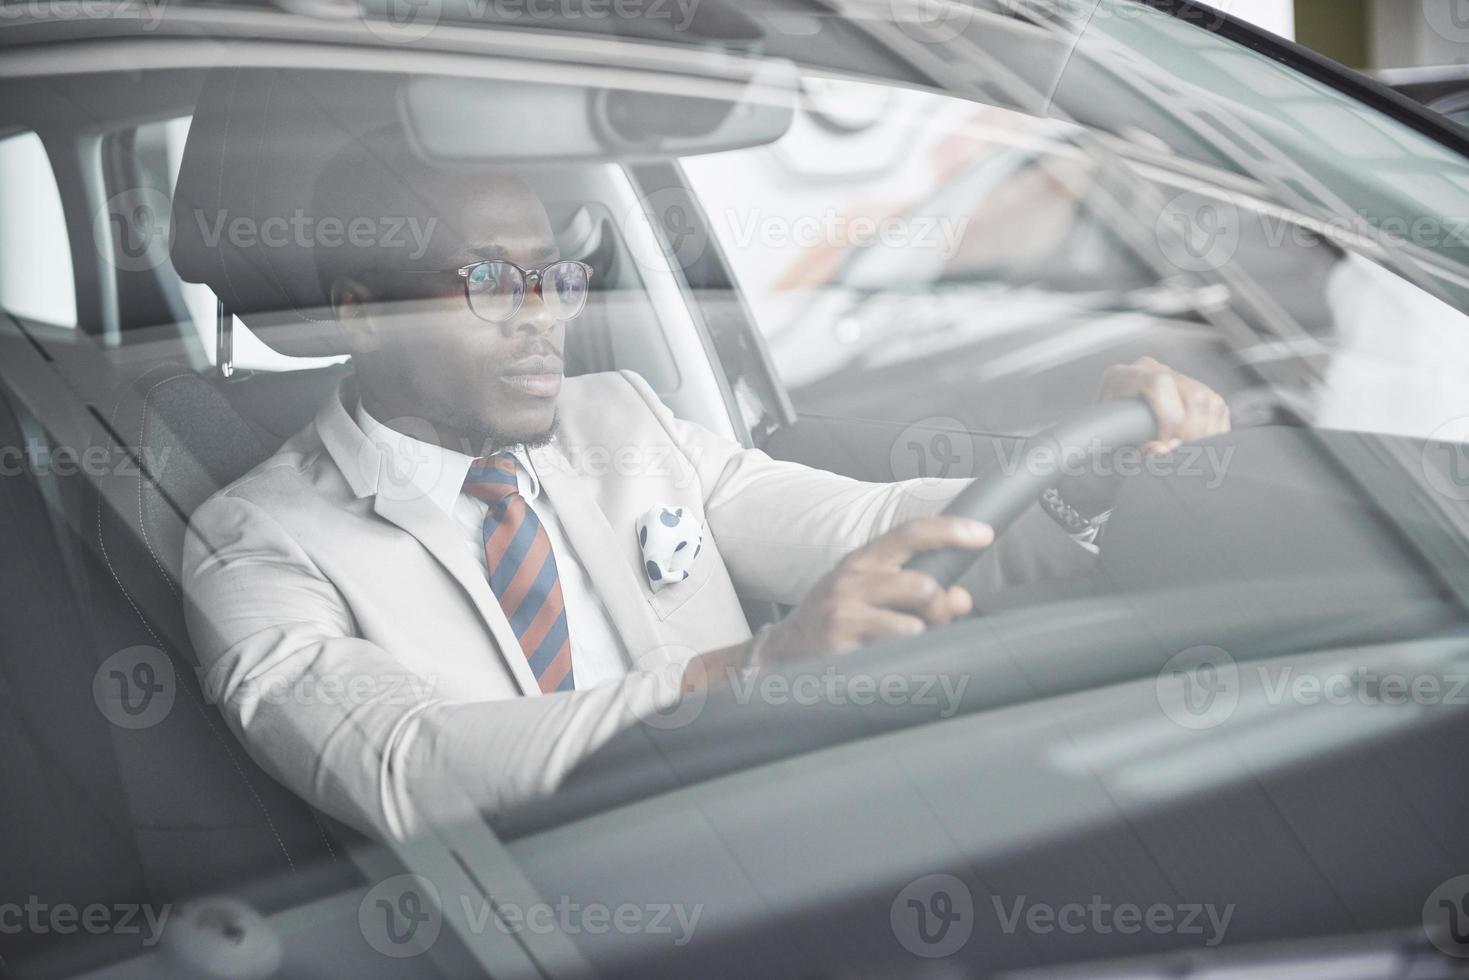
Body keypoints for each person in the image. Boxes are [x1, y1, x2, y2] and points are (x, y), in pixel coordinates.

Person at [182, 132, 1230, 841]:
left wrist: (1065, 469)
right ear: (363, 312)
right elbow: (408, 767)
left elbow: (856, 526)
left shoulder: (620, 416)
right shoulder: (258, 540)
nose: (541, 314)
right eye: (493, 281)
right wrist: (749, 669)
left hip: (776, 840)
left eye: (556, 276)